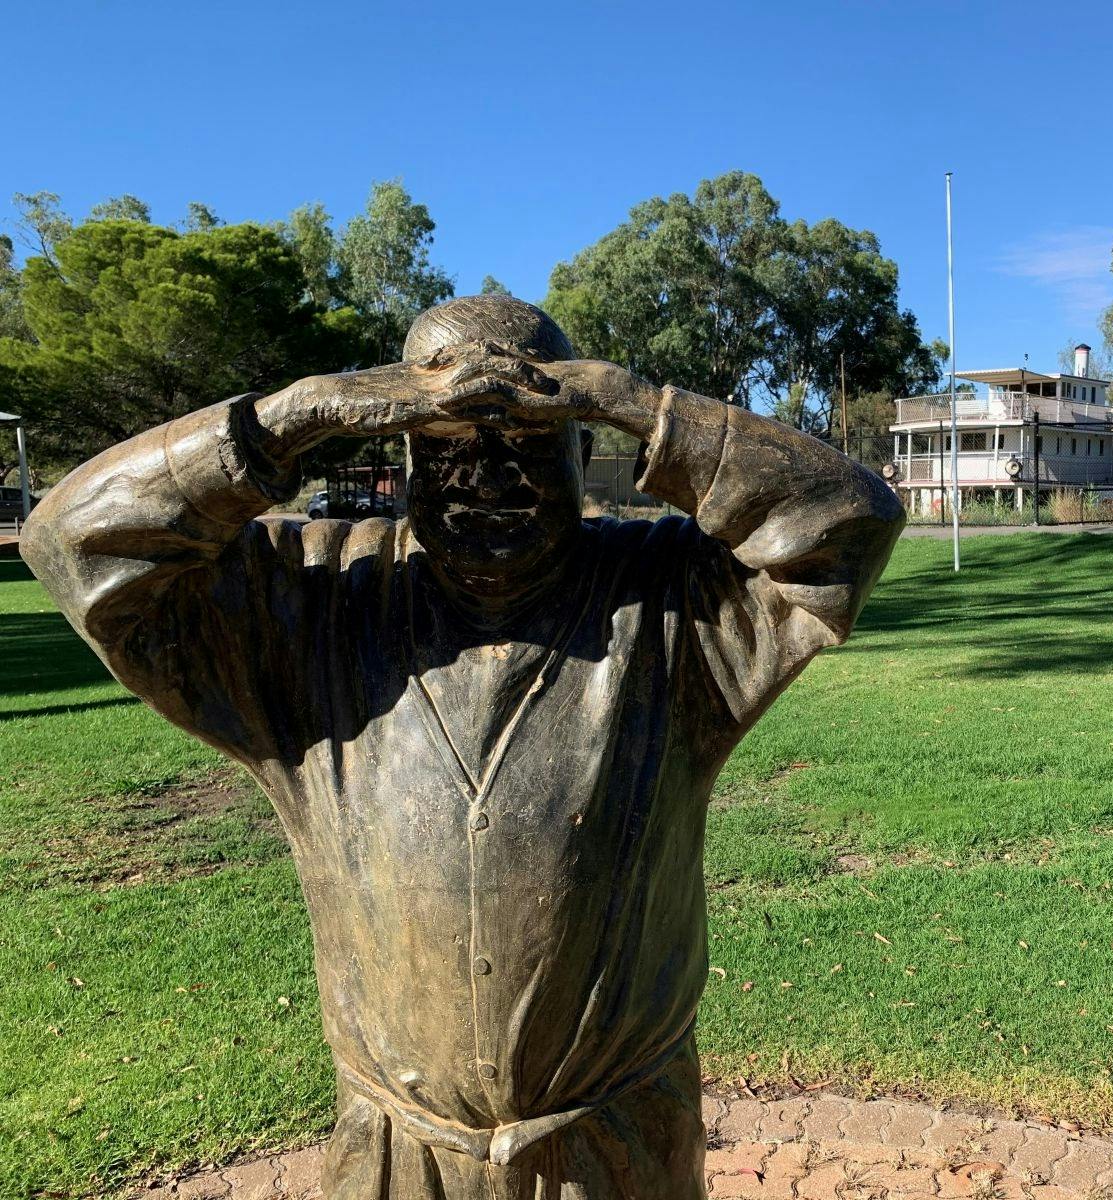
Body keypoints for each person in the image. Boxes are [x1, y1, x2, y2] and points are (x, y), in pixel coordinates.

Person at [22, 294, 904, 1199]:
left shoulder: (674, 597)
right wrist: (295, 414)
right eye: (445, 445)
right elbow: (72, 542)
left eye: (527, 443)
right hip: (396, 1153)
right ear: (401, 443)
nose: (487, 478)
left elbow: (849, 520)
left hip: (616, 1147)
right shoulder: (310, 599)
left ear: (580, 444)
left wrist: (637, 404)